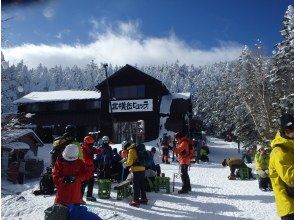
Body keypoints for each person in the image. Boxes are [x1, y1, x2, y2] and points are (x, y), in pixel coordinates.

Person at [269, 113, 294, 220]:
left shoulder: (290, 147)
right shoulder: (279, 151)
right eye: (289, 130)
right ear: (284, 132)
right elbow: (290, 178)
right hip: (289, 207)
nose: (292, 133)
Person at [81, 135, 103, 202]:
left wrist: (100, 150)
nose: (91, 145)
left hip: (90, 170)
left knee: (91, 182)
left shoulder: (90, 148)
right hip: (85, 170)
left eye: (92, 144)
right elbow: (86, 160)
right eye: (90, 144)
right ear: (86, 143)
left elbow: (95, 150)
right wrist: (94, 161)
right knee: (83, 184)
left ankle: (89, 196)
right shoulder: (83, 150)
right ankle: (79, 198)